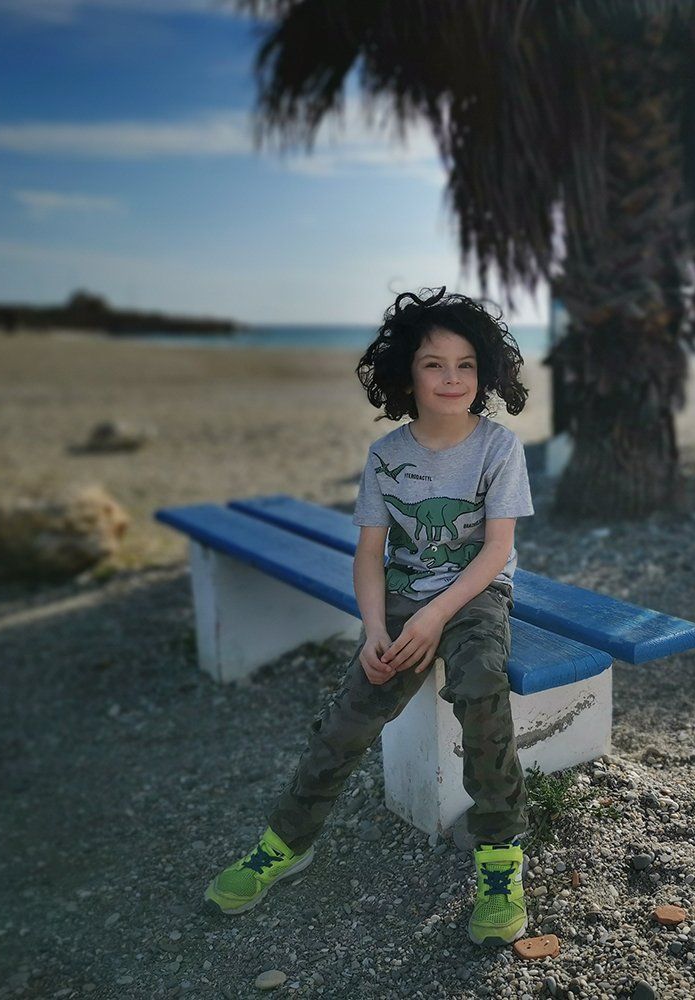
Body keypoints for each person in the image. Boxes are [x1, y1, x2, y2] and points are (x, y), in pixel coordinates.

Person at [203, 287, 535, 946]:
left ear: (486, 374)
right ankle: (286, 843)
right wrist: (376, 628)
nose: (450, 378)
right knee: (346, 721)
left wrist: (435, 617)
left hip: (474, 594)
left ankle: (500, 855)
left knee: (479, 692)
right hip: (401, 597)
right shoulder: (387, 456)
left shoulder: (499, 448)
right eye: (434, 363)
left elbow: (496, 549)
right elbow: (370, 553)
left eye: (466, 364)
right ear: (407, 374)